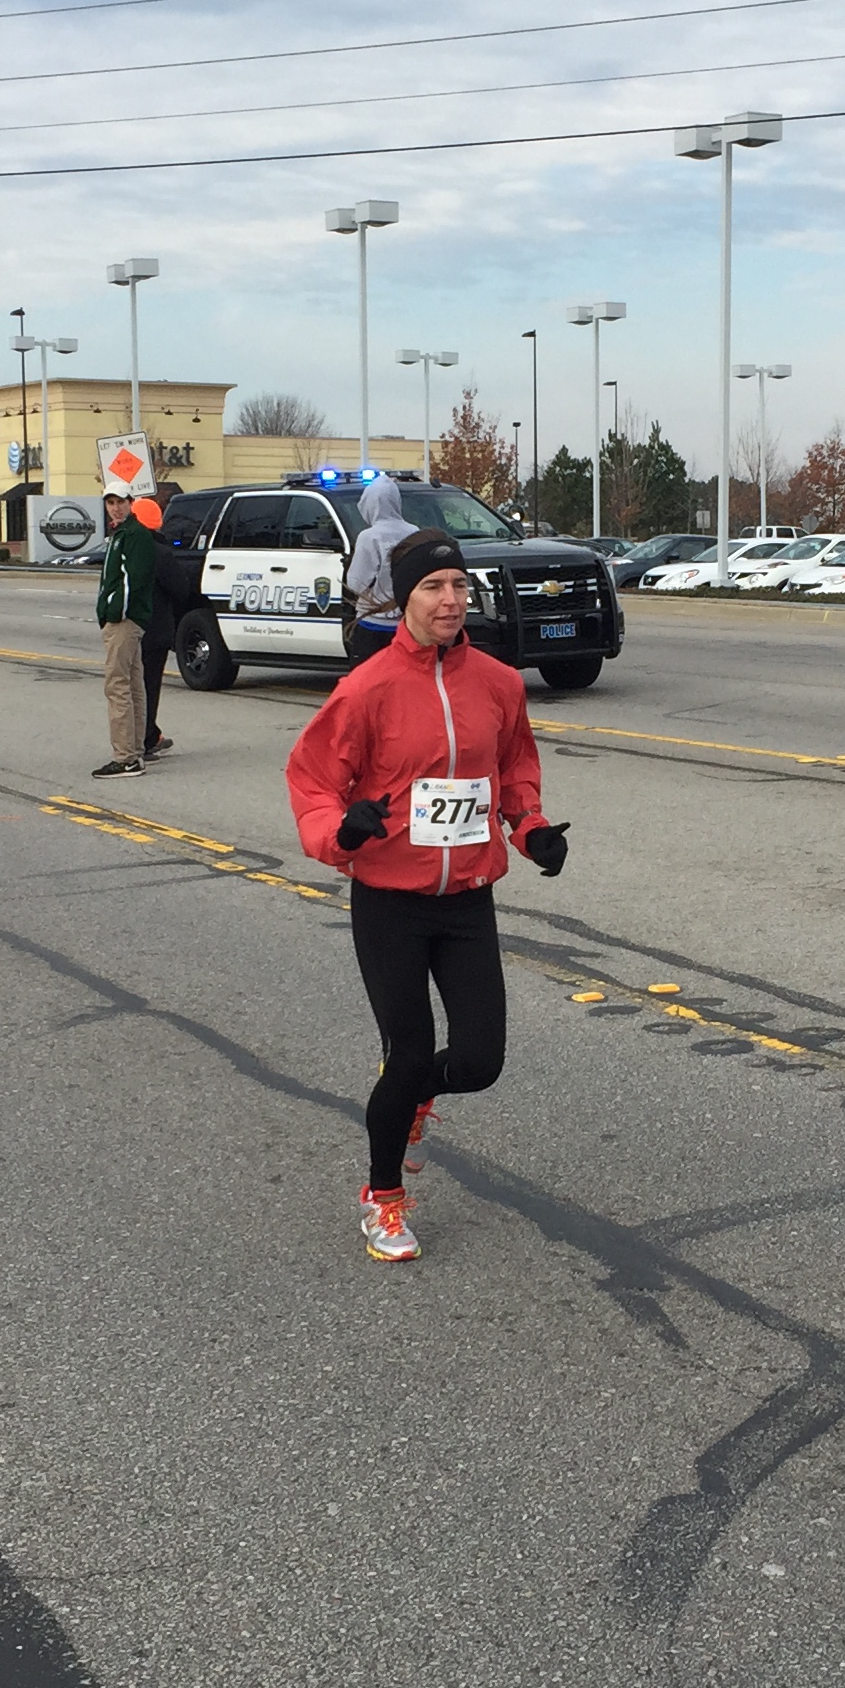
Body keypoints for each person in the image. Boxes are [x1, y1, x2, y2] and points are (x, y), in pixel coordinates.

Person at [285, 528, 572, 1263]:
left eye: (459, 586)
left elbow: (514, 771)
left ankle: (417, 1099)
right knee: (407, 1054)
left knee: (479, 1061)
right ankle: (382, 1198)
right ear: (404, 599)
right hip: (391, 902)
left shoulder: (499, 684)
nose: (450, 600)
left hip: (467, 899)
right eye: (433, 588)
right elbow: (312, 780)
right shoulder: (367, 689)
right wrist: (340, 831)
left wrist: (531, 829)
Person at [91, 490, 154, 779]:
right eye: (111, 503)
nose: (116, 508)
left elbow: (133, 580)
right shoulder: (119, 534)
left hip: (125, 620)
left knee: (117, 686)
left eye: (121, 502)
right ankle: (135, 751)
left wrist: (113, 611)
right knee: (132, 684)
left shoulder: (134, 535)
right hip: (125, 618)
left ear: (131, 503)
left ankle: (125, 757)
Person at [343, 473, 419, 665]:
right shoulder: (414, 532)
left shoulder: (369, 537)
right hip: (408, 625)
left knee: (369, 679)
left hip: (372, 623)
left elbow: (356, 583)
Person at [135, 495, 189, 760]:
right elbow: (181, 589)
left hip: (128, 628)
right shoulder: (159, 552)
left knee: (129, 686)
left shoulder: (122, 548)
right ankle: (146, 739)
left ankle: (141, 735)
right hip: (154, 629)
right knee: (148, 685)